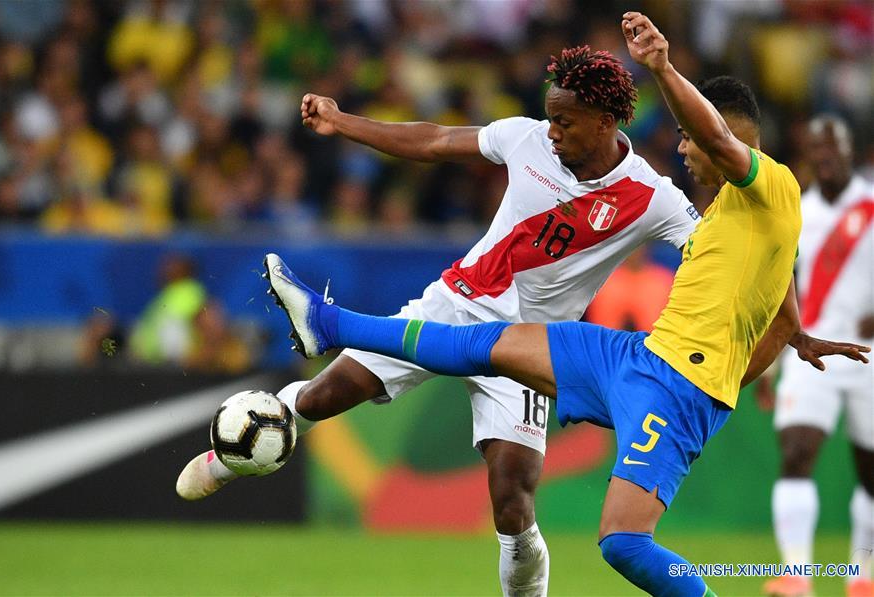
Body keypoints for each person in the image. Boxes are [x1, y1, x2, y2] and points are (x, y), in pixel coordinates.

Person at [178, 40, 858, 597]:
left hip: (537, 348)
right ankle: (240, 444)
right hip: (458, 305)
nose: (552, 130)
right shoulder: (524, 139)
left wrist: (786, 327)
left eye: (564, 120)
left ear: (603, 121)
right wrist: (343, 121)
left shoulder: (654, 198)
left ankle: (330, 329)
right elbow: (436, 140)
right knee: (327, 395)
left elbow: (757, 251)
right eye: (550, 117)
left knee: (512, 502)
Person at [759, 116, 874, 597]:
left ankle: (861, 575)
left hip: (869, 356)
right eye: (815, 149)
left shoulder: (871, 208)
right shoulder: (797, 215)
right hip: (812, 352)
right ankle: (796, 575)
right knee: (796, 452)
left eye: (833, 148)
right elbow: (778, 291)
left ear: (851, 151)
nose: (824, 157)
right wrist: (769, 360)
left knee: (870, 471)